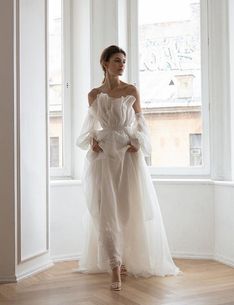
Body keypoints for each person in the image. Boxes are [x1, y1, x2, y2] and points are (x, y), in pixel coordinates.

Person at [76, 45, 182, 291]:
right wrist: (92, 139)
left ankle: (125, 258)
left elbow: (141, 121)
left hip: (127, 156)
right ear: (105, 63)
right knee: (105, 210)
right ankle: (114, 266)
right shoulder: (93, 94)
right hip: (103, 158)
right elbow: (90, 126)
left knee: (127, 209)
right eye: (116, 60)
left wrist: (138, 142)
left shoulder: (131, 90)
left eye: (124, 61)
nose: (122, 64)